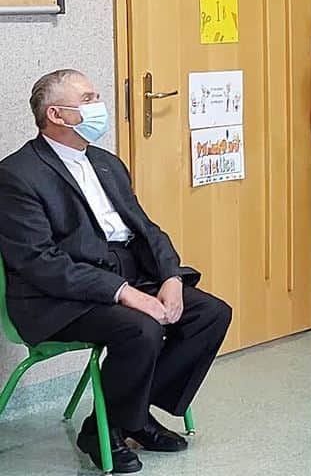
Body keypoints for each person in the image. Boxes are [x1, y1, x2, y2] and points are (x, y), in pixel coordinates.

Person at [0, 69, 231, 474]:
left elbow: (146, 228)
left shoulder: (106, 162)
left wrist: (171, 277)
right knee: (140, 329)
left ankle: (126, 420)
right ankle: (110, 430)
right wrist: (124, 292)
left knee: (209, 313)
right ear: (56, 114)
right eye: (88, 99)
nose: (99, 106)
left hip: (128, 272)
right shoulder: (17, 174)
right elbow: (41, 262)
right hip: (59, 295)